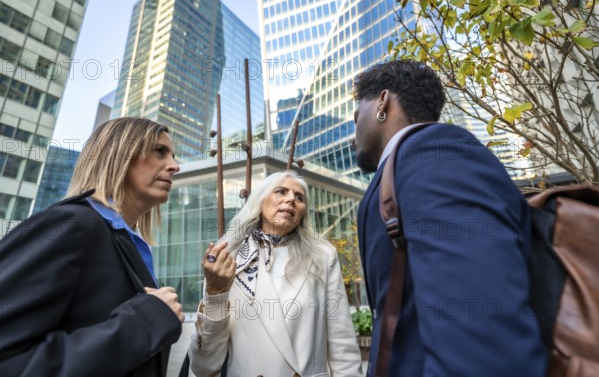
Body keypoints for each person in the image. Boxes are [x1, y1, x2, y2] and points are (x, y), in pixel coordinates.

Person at [352, 60, 548, 376]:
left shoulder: (435, 153)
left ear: (383, 103)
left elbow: (484, 348)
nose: (354, 134)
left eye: (355, 114)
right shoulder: (408, 164)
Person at [0, 117, 184, 376]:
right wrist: (144, 323)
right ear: (117, 154)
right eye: (159, 151)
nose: (175, 166)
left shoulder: (124, 243)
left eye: (173, 156)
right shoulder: (71, 225)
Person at [188, 170, 362, 376]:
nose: (291, 199)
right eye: (281, 191)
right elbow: (204, 365)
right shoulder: (227, 258)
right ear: (260, 202)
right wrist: (215, 294)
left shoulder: (323, 256)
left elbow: (342, 342)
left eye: (299, 197)